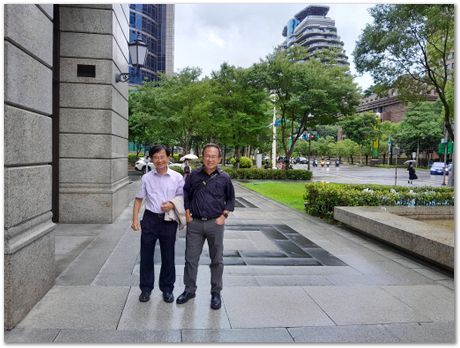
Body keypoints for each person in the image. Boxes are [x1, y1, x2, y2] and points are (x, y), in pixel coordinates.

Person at [176, 143, 235, 310]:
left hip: (214, 224)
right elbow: (185, 194)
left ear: (219, 159)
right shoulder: (194, 175)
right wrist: (187, 211)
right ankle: (189, 290)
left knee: (217, 259)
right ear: (203, 157)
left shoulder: (224, 178)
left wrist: (224, 216)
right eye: (207, 155)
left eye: (213, 156)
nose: (210, 159)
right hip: (194, 224)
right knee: (190, 259)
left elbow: (230, 199)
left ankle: (216, 292)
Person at [131, 145, 185, 303]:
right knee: (146, 256)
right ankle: (146, 289)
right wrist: (135, 219)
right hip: (150, 219)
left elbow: (183, 197)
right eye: (155, 157)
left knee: (168, 256)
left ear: (168, 157)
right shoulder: (146, 178)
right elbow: (139, 199)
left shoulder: (177, 177)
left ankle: (167, 289)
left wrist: (172, 204)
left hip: (168, 220)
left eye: (162, 156)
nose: (159, 160)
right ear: (151, 159)